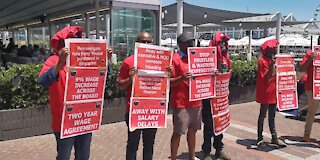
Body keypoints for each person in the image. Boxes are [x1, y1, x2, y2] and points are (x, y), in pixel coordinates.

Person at [38, 26, 93, 160]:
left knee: (83, 156)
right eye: (70, 42)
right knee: (63, 156)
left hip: (84, 119)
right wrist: (60, 63)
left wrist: (104, 60)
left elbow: (100, 80)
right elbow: (43, 81)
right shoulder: (53, 60)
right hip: (64, 121)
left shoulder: (85, 60)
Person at [118, 32, 158, 160]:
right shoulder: (128, 62)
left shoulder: (159, 63)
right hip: (134, 110)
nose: (146, 44)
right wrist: (130, 78)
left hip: (153, 110)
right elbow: (120, 85)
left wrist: (167, 73)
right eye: (143, 42)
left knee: (149, 144)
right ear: (137, 44)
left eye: (148, 42)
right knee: (132, 144)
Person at [170, 33, 202, 160]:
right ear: (180, 44)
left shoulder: (196, 58)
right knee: (178, 132)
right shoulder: (174, 59)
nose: (191, 44)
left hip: (196, 101)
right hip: (181, 103)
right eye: (188, 42)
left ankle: (192, 156)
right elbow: (169, 82)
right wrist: (181, 78)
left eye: (191, 41)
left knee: (193, 131)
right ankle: (173, 157)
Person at [202, 32, 231, 160]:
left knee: (220, 124)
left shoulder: (226, 58)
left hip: (221, 98)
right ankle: (207, 152)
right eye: (220, 43)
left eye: (224, 43)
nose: (223, 45)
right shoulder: (207, 57)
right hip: (209, 98)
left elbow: (227, 74)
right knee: (209, 125)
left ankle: (219, 149)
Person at [256, 39, 286, 147]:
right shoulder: (262, 61)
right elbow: (267, 77)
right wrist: (271, 66)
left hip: (273, 92)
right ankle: (259, 137)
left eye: (274, 49)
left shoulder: (272, 61)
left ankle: (274, 137)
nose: (274, 51)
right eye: (272, 49)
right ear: (267, 50)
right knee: (262, 115)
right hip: (265, 92)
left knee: (272, 116)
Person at [299, 49, 318, 142]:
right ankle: (306, 134)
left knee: (312, 111)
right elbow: (301, 68)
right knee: (312, 111)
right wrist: (310, 59)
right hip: (312, 87)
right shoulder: (310, 53)